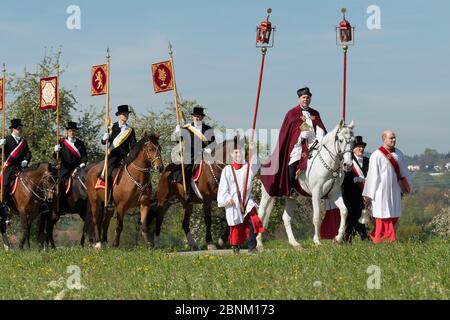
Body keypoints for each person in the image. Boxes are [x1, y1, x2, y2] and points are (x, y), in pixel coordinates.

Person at [260, 87, 327, 198]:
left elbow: (320, 128)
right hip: (297, 145)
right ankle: (291, 188)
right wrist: (300, 135)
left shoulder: (315, 113)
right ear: (299, 99)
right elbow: (288, 133)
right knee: (293, 161)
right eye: (303, 97)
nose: (306, 99)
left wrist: (321, 138)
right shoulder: (292, 114)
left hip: (314, 144)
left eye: (308, 97)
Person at [362, 130, 412, 243]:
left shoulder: (399, 153)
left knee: (394, 214)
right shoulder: (376, 155)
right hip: (381, 192)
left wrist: (408, 186)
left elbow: (405, 172)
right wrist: (369, 194)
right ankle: (384, 239)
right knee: (383, 216)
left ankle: (377, 237)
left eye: (394, 138)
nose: (394, 140)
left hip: (395, 191)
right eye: (391, 138)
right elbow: (372, 176)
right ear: (384, 139)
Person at [217, 137, 264, 254]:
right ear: (232, 154)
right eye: (236, 152)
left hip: (247, 201)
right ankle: (235, 247)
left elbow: (256, 163)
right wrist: (227, 198)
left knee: (253, 220)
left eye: (241, 151)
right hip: (233, 203)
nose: (239, 154)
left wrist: (253, 150)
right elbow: (223, 188)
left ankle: (252, 248)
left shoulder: (247, 168)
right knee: (236, 227)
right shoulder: (227, 170)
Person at [96, 105, 137, 207]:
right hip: (113, 156)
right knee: (108, 173)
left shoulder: (130, 130)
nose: (126, 115)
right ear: (119, 115)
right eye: (124, 114)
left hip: (125, 157)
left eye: (127, 114)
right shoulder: (112, 127)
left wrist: (131, 153)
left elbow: (133, 145)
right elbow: (103, 142)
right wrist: (104, 138)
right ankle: (109, 199)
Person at [173, 106, 215, 202]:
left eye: (199, 116)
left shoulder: (208, 129)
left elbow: (213, 143)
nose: (197, 118)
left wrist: (208, 149)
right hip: (190, 154)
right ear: (192, 117)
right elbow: (177, 141)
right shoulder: (187, 128)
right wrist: (177, 131)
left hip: (205, 154)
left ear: (202, 117)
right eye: (195, 116)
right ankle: (187, 192)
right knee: (187, 168)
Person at [0, 119, 32, 222]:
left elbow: (28, 153)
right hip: (10, 167)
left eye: (21, 128)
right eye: (19, 128)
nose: (20, 129)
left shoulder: (24, 141)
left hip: (21, 167)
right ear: (13, 129)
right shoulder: (7, 139)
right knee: (4, 183)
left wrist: (26, 160)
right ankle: (4, 205)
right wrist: (0, 146)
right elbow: (1, 153)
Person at [342, 135, 369, 242]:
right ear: (353, 148)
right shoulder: (349, 161)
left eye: (362, 146)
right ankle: (363, 237)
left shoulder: (368, 160)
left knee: (358, 216)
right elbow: (344, 178)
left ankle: (347, 239)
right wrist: (355, 180)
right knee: (353, 216)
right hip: (350, 194)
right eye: (358, 146)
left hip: (364, 194)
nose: (361, 149)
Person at [54, 121, 88, 199]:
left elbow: (84, 156)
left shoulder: (80, 143)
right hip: (65, 169)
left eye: (73, 131)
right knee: (60, 184)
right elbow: (56, 157)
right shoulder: (61, 143)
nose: (72, 132)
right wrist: (55, 151)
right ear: (67, 132)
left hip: (78, 168)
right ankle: (61, 203)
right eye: (70, 131)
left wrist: (82, 164)